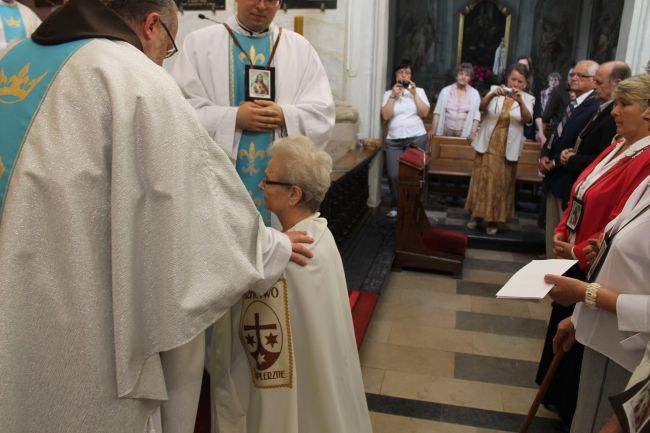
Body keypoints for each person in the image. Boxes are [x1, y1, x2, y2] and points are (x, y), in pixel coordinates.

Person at [0, 1, 314, 432]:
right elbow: (191, 196)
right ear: (151, 26)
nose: (164, 60)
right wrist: (268, 246)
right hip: (79, 314)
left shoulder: (14, 58)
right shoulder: (130, 76)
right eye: (168, 47)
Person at [210, 136, 373, 433]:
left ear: (293, 194)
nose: (261, 185)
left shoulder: (288, 259)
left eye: (268, 180)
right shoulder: (321, 233)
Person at [537, 74, 650, 431]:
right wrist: (581, 317)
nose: (615, 111)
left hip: (631, 348)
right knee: (584, 416)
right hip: (603, 330)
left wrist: (586, 295)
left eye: (624, 104)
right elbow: (612, 235)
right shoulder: (642, 176)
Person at [171, 0, 335, 225]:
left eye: (271, 0)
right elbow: (179, 112)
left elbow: (322, 114)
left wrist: (284, 116)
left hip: (281, 201)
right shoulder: (199, 44)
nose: (262, 5)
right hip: (218, 190)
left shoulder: (300, 49)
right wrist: (233, 118)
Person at [539, 60, 600, 259]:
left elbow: (576, 144)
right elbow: (558, 133)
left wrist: (555, 161)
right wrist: (545, 155)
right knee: (552, 233)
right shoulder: (573, 102)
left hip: (567, 178)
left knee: (560, 237)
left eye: (581, 76)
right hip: (555, 177)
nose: (574, 78)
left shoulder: (593, 107)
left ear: (594, 81)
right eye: (573, 74)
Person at [465, 63, 534, 235]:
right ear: (507, 79)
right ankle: (476, 215)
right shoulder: (495, 90)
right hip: (488, 143)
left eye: (520, 81)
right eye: (513, 79)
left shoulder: (528, 99)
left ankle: (494, 220)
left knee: (500, 184)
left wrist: (520, 102)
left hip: (507, 148)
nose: (515, 84)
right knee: (482, 180)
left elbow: (527, 120)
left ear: (525, 83)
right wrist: (491, 95)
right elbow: (481, 108)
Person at [559, 62, 631, 185]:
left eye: (599, 82)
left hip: (592, 182)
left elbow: (605, 158)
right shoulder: (601, 107)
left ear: (617, 84)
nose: (593, 87)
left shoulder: (615, 117)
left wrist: (573, 159)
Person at [381, 59, 430, 218]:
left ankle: (412, 206)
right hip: (394, 140)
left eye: (407, 73)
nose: (404, 75)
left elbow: (424, 113)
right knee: (393, 175)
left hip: (416, 137)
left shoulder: (419, 91)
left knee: (413, 175)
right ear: (395, 75)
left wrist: (414, 94)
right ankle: (396, 205)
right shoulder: (388, 94)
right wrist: (393, 96)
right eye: (401, 72)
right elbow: (385, 116)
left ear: (411, 76)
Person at [429, 62, 480, 141]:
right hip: (445, 130)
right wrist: (433, 129)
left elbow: (476, 116)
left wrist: (473, 132)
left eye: (467, 75)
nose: (463, 77)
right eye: (461, 74)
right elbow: (437, 112)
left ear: (470, 78)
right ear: (456, 75)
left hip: (464, 133)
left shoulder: (475, 94)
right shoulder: (445, 91)